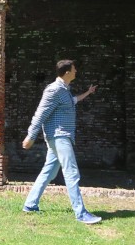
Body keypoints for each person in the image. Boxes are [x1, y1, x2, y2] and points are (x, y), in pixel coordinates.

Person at [22, 60, 101, 225]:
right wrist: (31, 136)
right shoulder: (54, 89)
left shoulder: (65, 90)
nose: (76, 71)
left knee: (48, 172)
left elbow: (74, 101)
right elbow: (40, 114)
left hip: (62, 137)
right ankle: (81, 213)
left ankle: (30, 204)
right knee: (71, 172)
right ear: (66, 72)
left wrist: (88, 92)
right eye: (74, 69)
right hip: (59, 137)